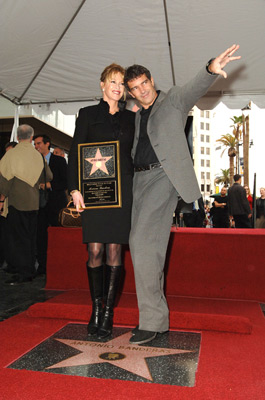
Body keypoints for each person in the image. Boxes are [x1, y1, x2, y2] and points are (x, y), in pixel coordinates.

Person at [124, 44, 241, 345]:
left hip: (163, 177)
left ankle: (151, 322)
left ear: (152, 81)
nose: (142, 91)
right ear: (132, 93)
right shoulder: (139, 114)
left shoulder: (173, 100)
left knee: (141, 244)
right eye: (135, 89)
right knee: (144, 249)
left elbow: (194, 88)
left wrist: (210, 69)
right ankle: (156, 319)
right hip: (140, 182)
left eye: (144, 84)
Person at [68, 63, 135, 339]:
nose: (117, 87)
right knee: (95, 251)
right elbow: (74, 154)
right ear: (102, 84)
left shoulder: (132, 119)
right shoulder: (86, 115)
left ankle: (108, 314)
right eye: (113, 82)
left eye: (121, 83)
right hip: (94, 196)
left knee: (114, 252)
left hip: (122, 196)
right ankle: (96, 307)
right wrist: (74, 190)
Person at [0, 125, 52, 284]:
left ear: (17, 137)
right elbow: (49, 175)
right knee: (30, 237)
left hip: (17, 201)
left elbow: (4, 180)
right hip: (34, 203)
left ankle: (23, 272)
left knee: (18, 238)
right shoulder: (37, 156)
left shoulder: (11, 155)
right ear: (31, 138)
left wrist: (2, 199)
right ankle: (30, 269)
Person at [34, 134, 68, 274]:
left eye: (39, 143)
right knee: (40, 236)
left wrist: (50, 185)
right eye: (35, 144)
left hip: (56, 204)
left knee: (57, 236)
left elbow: (65, 182)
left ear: (48, 144)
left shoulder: (59, 161)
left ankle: (59, 266)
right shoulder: (33, 162)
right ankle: (42, 267)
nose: (36, 146)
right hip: (39, 205)